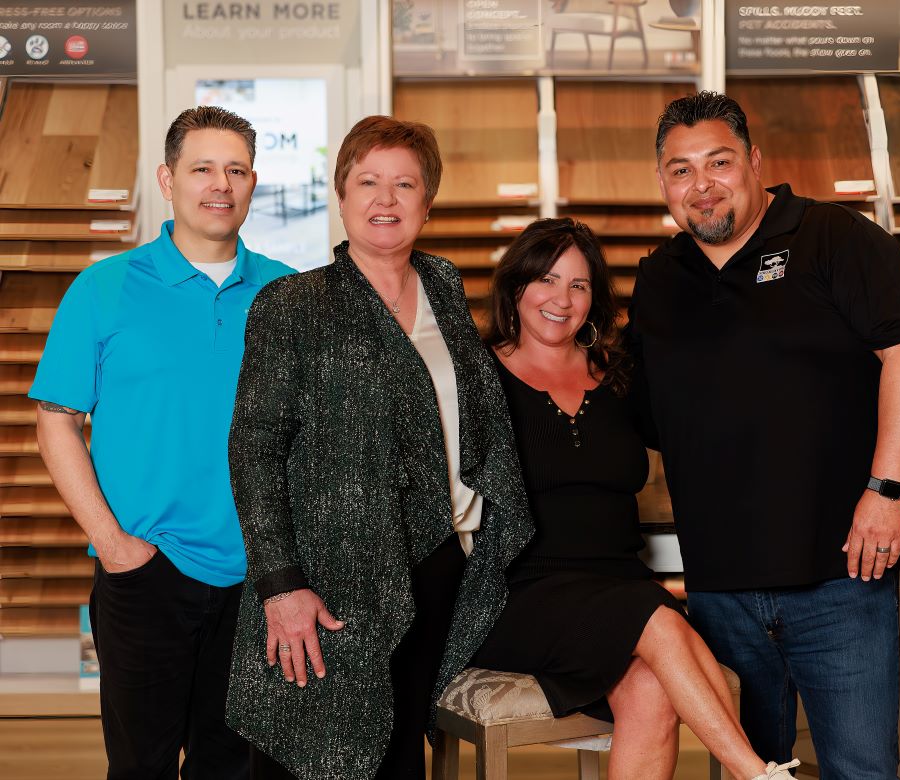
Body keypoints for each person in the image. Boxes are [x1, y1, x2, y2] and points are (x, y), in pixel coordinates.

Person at [626, 91, 900, 778]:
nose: (702, 185)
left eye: (719, 162)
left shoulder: (836, 238)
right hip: (720, 589)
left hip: (842, 575)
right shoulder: (659, 278)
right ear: (663, 183)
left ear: (755, 162)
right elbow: (644, 413)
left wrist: (888, 491)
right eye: (681, 170)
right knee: (755, 771)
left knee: (860, 768)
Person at [224, 116, 534, 780]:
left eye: (405, 184)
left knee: (396, 757)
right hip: (324, 579)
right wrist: (281, 585)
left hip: (433, 563)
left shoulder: (445, 290)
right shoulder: (292, 305)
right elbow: (255, 450)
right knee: (312, 753)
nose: (385, 199)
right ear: (341, 196)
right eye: (368, 182)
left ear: (428, 202)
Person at [471, 218, 800, 780]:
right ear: (516, 285)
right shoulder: (475, 378)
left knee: (650, 686)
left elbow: (700, 423)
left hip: (617, 583)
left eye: (578, 285)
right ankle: (758, 773)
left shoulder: (620, 377)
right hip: (517, 592)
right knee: (660, 619)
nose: (561, 299)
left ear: (595, 299)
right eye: (546, 279)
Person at [30, 106, 294, 779]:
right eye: (202, 168)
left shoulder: (288, 293)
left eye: (236, 170)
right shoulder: (104, 288)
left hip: (259, 578)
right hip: (145, 573)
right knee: (140, 768)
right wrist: (115, 545)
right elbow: (56, 421)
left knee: (233, 769)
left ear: (253, 183)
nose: (220, 184)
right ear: (167, 180)